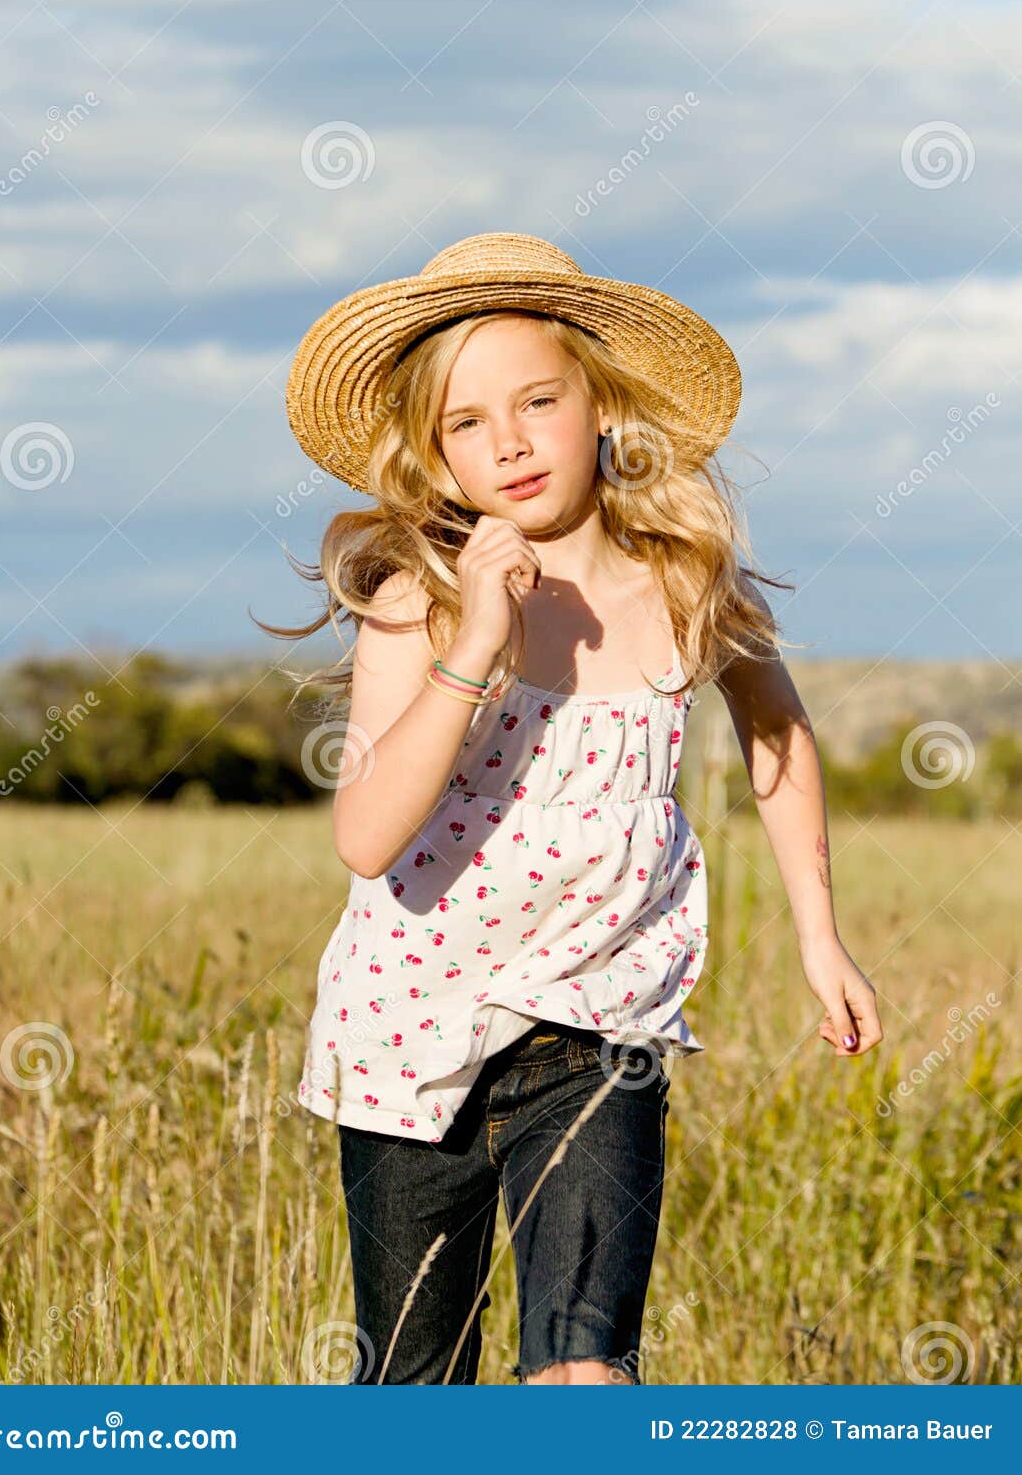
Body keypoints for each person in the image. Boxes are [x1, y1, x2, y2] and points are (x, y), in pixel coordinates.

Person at [265, 231, 883, 1386]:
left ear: (599, 401)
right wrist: (480, 645)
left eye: (537, 399)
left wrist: (819, 935)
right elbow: (364, 835)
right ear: (436, 456)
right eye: (464, 422)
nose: (507, 441)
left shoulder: (685, 576)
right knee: (412, 1390)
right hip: (415, 1034)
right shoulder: (423, 595)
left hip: (601, 1028)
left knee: (586, 1378)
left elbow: (777, 732)